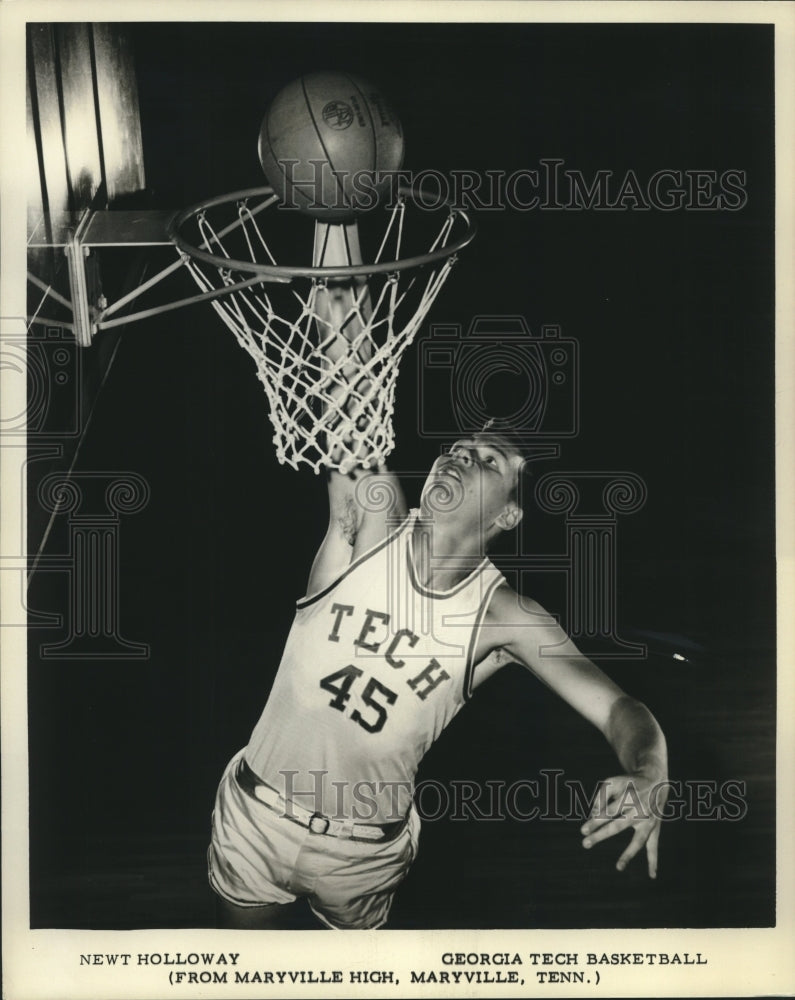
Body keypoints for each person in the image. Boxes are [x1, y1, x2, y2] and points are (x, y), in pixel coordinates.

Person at [207, 417, 668, 929]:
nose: (462, 456)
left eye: (488, 459)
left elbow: (619, 710)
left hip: (364, 856)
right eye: (458, 447)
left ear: (510, 514)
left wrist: (650, 771)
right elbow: (352, 389)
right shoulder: (372, 527)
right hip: (256, 818)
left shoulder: (505, 617)